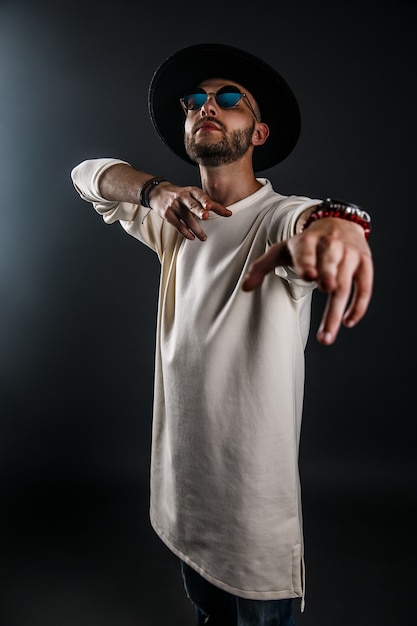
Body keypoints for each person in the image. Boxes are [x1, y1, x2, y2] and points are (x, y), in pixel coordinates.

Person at [71, 43, 373, 626]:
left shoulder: (277, 216)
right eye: (196, 101)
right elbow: (86, 175)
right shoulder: (177, 220)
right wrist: (156, 192)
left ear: (257, 133)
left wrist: (340, 231)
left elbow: (320, 220)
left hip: (254, 517)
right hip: (188, 500)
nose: (208, 106)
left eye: (230, 99)